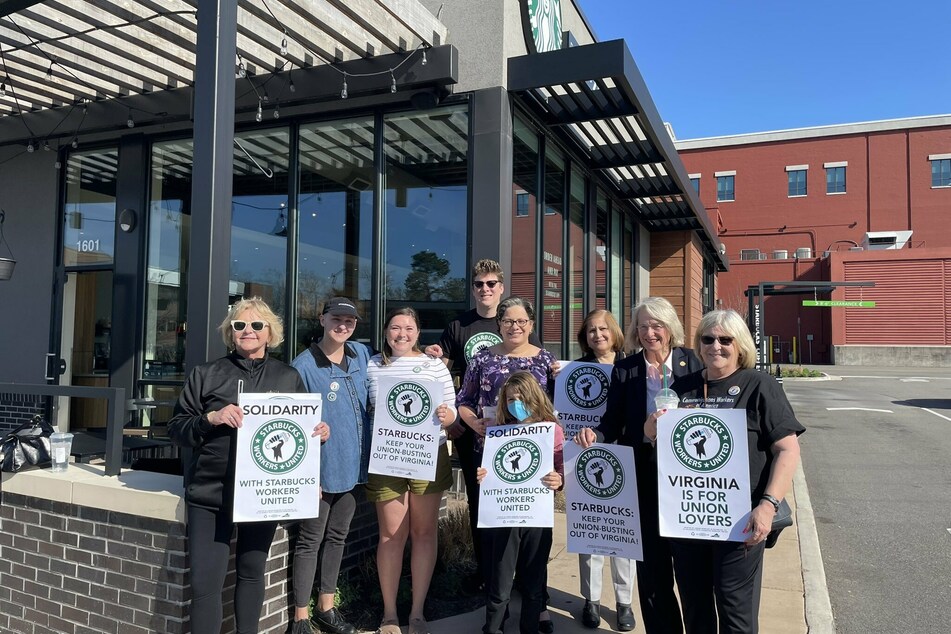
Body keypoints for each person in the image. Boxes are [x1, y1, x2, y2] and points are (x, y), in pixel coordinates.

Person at [168, 298, 329, 634]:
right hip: (211, 494)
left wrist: (318, 435)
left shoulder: (288, 377)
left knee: (252, 571)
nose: (248, 331)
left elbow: (300, 436)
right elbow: (176, 429)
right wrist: (209, 418)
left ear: (270, 333)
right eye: (240, 325)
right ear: (230, 332)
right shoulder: (206, 374)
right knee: (204, 585)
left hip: (263, 495)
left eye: (257, 325)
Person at [655, 309, 804, 634]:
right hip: (689, 521)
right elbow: (658, 442)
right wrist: (653, 426)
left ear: (741, 345)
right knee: (695, 612)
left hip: (740, 524)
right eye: (708, 339)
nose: (716, 346)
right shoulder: (684, 388)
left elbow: (787, 450)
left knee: (736, 614)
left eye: (725, 339)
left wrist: (767, 505)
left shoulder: (759, 385)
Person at [575, 297, 702, 634]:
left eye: (656, 324)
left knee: (691, 573)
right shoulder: (626, 369)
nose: (649, 332)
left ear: (670, 326)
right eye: (642, 325)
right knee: (652, 570)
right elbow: (612, 420)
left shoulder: (696, 363)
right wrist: (596, 434)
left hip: (687, 483)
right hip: (643, 475)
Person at [430, 258, 542, 591]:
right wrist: (453, 419)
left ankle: (524, 576)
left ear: (501, 288)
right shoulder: (459, 325)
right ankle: (487, 572)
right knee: (481, 502)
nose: (485, 289)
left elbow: (539, 376)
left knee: (521, 501)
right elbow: (443, 375)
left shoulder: (517, 323)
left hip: (519, 432)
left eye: (491, 283)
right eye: (479, 284)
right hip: (473, 431)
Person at [456, 296, 558, 632]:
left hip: (536, 468)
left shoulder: (545, 361)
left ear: (531, 324)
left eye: (521, 321)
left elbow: (559, 409)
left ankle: (538, 605)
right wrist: (474, 424)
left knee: (534, 539)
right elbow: (465, 401)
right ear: (498, 324)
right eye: (508, 321)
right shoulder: (483, 358)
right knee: (496, 538)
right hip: (492, 462)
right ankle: (497, 612)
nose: (514, 326)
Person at [366, 308, 457, 634]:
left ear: (419, 332)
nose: (401, 334)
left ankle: (417, 612)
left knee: (424, 533)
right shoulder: (372, 364)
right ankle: (390, 615)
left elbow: (453, 415)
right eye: (394, 327)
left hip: (427, 456)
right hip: (387, 456)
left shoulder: (435, 366)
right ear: (386, 331)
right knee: (391, 535)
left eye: (408, 328)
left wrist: (447, 415)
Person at [288, 298, 372, 634]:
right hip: (321, 472)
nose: (343, 326)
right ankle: (300, 617)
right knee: (310, 540)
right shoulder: (304, 366)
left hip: (353, 468)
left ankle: (327, 607)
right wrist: (308, 473)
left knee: (337, 537)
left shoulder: (361, 355)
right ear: (322, 319)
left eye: (349, 321)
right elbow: (292, 421)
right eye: (336, 319)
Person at [475, 371, 564, 634]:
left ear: (535, 398)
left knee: (534, 584)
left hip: (537, 515)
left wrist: (558, 479)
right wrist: (484, 475)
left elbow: (560, 468)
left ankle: (530, 628)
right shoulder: (499, 432)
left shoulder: (553, 431)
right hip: (505, 516)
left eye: (521, 398)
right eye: (511, 399)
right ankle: (493, 628)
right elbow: (494, 470)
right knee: (500, 583)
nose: (516, 403)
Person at [570, 310, 636, 632]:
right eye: (591, 330)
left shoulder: (632, 366)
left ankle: (624, 602)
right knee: (590, 528)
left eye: (603, 329)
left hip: (626, 455)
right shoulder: (575, 370)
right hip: (586, 453)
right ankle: (591, 600)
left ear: (614, 332)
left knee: (623, 532)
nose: (597, 335)